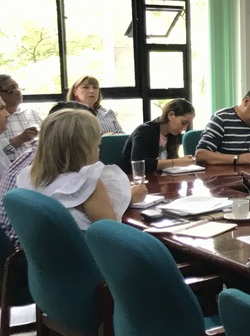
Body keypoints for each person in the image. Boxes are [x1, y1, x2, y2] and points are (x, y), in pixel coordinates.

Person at [14, 109, 146, 232]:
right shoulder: (87, 185)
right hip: (85, 249)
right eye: (97, 145)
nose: (99, 150)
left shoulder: (28, 176)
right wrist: (129, 197)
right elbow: (112, 235)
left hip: (44, 249)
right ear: (83, 149)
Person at [0, 102, 90, 247]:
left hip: (18, 245)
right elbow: (107, 228)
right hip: (24, 250)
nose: (8, 114)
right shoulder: (53, 167)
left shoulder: (34, 156)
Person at [120, 98, 197, 174]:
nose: (184, 128)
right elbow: (138, 163)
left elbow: (170, 163)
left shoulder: (174, 135)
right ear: (170, 115)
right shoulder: (144, 131)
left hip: (160, 178)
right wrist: (176, 162)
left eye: (187, 125)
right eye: (183, 122)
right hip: (133, 178)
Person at [0, 74, 42, 163]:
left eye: (18, 88)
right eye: (11, 89)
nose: (18, 92)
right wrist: (18, 140)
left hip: (38, 165)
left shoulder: (31, 112)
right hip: (9, 169)